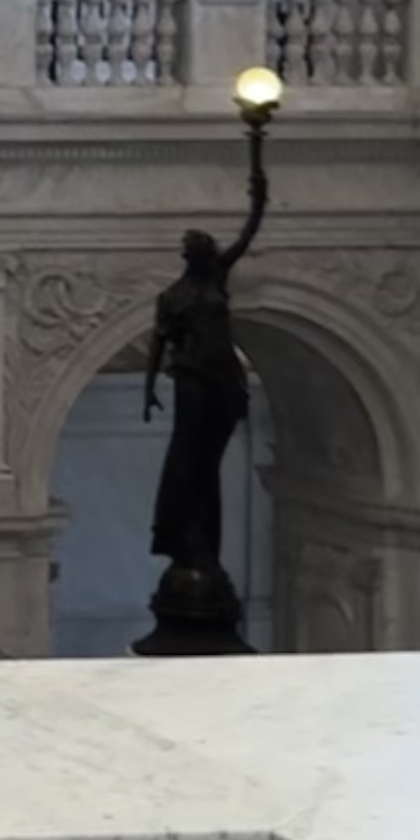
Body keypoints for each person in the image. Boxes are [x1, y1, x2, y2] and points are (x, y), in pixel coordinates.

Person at [142, 156, 268, 572]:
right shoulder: (172, 297)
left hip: (225, 375)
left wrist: (259, 192)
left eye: (201, 247)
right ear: (187, 255)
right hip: (192, 376)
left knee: (209, 458)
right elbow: (158, 346)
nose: (200, 252)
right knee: (189, 455)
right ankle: (185, 534)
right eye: (194, 248)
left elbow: (248, 234)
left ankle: (203, 540)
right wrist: (148, 395)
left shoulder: (216, 276)